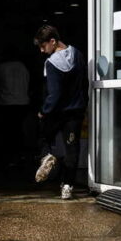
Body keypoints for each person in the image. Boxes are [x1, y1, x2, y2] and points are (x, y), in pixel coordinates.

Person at [33, 24, 88, 200]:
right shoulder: (78, 54)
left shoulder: (51, 63)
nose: (42, 51)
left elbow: (54, 93)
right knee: (72, 148)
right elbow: (85, 83)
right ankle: (67, 186)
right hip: (76, 111)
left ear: (53, 41)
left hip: (57, 112)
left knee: (44, 135)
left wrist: (44, 111)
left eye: (43, 46)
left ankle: (48, 155)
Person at [0, 49, 31, 176]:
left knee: (7, 131)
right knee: (18, 129)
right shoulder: (23, 67)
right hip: (23, 102)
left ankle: (9, 157)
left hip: (6, 103)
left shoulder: (1, 67)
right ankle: (20, 155)